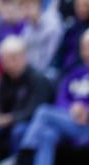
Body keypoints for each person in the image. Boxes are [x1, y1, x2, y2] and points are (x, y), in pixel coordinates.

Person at [18, 29, 89, 165]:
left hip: (86, 125)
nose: (85, 50)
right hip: (70, 121)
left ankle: (24, 155)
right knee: (48, 134)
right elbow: (61, 99)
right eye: (83, 46)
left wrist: (86, 111)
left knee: (44, 112)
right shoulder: (75, 73)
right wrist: (72, 109)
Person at [0, 35, 51, 165]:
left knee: (19, 131)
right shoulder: (3, 79)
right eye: (5, 61)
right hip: (10, 122)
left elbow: (35, 111)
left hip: (33, 125)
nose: (8, 64)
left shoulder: (38, 79)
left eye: (13, 59)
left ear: (23, 57)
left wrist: (7, 119)